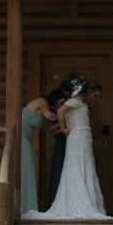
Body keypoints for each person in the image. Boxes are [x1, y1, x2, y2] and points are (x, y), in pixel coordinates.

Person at [23, 80, 112, 220]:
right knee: (76, 167)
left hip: (83, 137)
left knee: (84, 167)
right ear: (89, 91)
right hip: (77, 137)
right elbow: (60, 111)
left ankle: (85, 202)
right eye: (95, 95)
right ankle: (78, 203)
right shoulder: (77, 100)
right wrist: (63, 127)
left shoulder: (81, 103)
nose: (96, 98)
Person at [45, 73, 84, 204]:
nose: (62, 104)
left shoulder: (72, 106)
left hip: (73, 141)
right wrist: (61, 125)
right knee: (59, 170)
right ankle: (56, 200)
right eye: (60, 102)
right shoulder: (58, 113)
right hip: (62, 142)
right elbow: (49, 131)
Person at [19, 95, 58, 214]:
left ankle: (26, 207)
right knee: (25, 172)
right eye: (60, 103)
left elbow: (48, 129)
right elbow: (49, 116)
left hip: (25, 140)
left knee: (26, 173)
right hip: (21, 138)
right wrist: (64, 114)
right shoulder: (41, 101)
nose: (60, 106)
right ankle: (24, 208)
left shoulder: (42, 109)